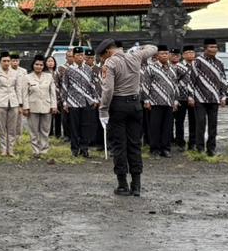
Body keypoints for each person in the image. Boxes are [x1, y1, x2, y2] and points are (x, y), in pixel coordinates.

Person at [99, 37, 156, 196]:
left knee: (119, 145)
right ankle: (136, 184)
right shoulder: (135, 56)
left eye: (102, 56)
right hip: (135, 104)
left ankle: (123, 184)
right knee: (135, 144)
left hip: (118, 106)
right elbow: (153, 48)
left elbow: (108, 89)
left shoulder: (110, 63)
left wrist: (103, 109)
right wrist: (142, 46)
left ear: (108, 52)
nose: (102, 59)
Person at [189, 39, 227, 156]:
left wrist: (223, 96)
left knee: (213, 125)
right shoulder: (197, 62)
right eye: (211, 47)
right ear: (205, 48)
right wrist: (190, 96)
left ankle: (211, 149)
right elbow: (191, 80)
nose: (214, 49)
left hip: (214, 98)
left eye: (215, 47)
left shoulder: (219, 62)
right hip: (200, 98)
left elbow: (223, 80)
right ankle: (200, 148)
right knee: (200, 123)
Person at [61, 47, 100, 158]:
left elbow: (93, 85)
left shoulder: (88, 69)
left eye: (82, 55)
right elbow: (65, 86)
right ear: (73, 57)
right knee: (74, 126)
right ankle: (75, 149)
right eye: (78, 55)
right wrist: (64, 102)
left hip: (87, 101)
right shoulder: (68, 70)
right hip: (73, 102)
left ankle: (84, 148)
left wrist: (95, 99)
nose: (80, 57)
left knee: (86, 126)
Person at [142, 45, 179, 157]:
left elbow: (175, 85)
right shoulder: (151, 68)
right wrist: (146, 100)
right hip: (155, 102)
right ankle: (155, 149)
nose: (164, 55)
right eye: (162, 53)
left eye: (166, 53)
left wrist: (176, 100)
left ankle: (166, 148)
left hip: (169, 102)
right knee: (155, 126)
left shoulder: (173, 68)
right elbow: (145, 84)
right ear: (157, 55)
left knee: (167, 127)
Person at [0, 52, 25, 157]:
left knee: (12, 128)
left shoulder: (15, 73)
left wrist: (20, 105)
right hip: (0, 102)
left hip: (13, 103)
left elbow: (18, 89)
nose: (6, 63)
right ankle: (3, 149)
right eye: (4, 61)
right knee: (1, 128)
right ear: (0, 62)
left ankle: (11, 149)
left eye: (8, 61)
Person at [24, 55, 57, 159]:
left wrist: (54, 106)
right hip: (33, 107)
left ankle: (44, 150)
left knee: (45, 130)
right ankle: (35, 150)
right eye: (37, 64)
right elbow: (24, 94)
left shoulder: (49, 77)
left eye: (41, 65)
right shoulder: (27, 77)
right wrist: (25, 107)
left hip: (46, 107)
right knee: (34, 131)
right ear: (33, 65)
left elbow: (52, 93)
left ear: (44, 66)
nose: (39, 66)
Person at [173, 45, 197, 151]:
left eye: (192, 52)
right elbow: (174, 82)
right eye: (187, 52)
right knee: (179, 121)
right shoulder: (178, 66)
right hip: (181, 97)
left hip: (195, 97)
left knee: (194, 121)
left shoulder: (197, 66)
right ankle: (180, 142)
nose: (190, 54)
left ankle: (192, 142)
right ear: (183, 55)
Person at [46, 54, 63, 141]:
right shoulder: (44, 74)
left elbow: (61, 85)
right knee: (48, 116)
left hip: (57, 97)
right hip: (47, 97)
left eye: (52, 61)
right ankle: (49, 133)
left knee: (58, 116)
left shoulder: (57, 73)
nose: (50, 63)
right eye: (48, 61)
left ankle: (58, 134)